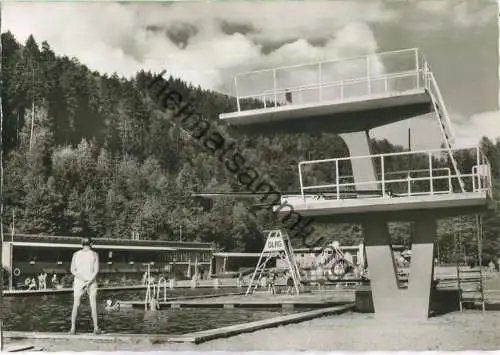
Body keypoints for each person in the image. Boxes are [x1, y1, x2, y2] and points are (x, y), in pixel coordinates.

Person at [69, 237, 101, 335]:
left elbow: (72, 270)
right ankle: (96, 328)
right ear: (91, 244)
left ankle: (72, 329)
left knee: (76, 305)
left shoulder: (75, 254)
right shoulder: (95, 254)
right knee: (93, 305)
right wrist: (88, 282)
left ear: (81, 244)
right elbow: (96, 271)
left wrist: (82, 280)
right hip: (91, 282)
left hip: (79, 282)